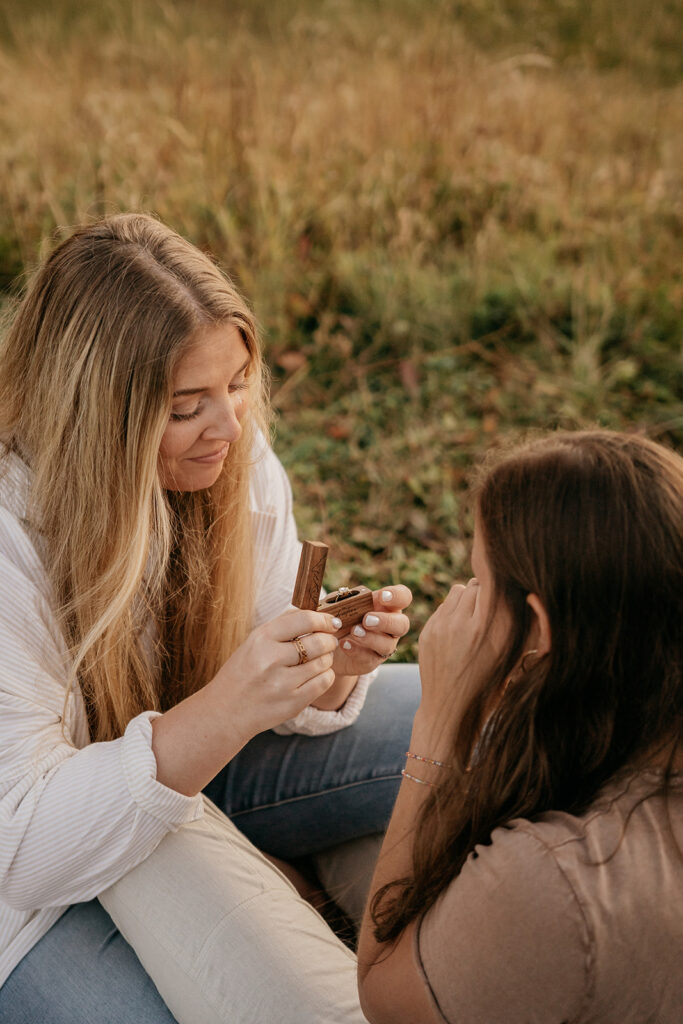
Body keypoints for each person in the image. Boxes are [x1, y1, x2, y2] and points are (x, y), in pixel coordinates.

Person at [0, 213, 419, 1024]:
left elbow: (266, 642)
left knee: (464, 713)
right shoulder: (11, 534)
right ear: (94, 413)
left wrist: (327, 674)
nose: (230, 426)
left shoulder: (228, 453)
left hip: (204, 767)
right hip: (33, 881)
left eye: (235, 385)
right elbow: (27, 851)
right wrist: (229, 705)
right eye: (187, 403)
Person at [358, 430, 683, 1024]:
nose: (466, 597)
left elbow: (382, 996)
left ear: (539, 626)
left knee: (181, 853)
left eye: (480, 581)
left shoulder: (556, 874)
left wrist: (439, 725)